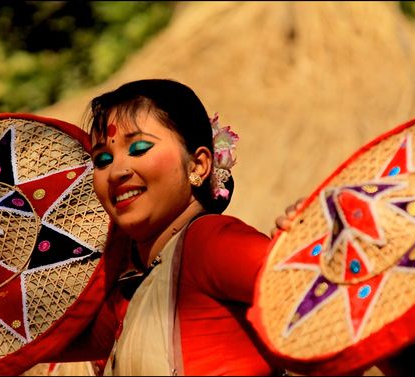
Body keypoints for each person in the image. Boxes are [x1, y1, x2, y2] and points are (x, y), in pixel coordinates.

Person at [47, 78, 286, 376]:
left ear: (198, 165)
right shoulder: (131, 289)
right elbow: (38, 343)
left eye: (139, 148)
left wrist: (309, 246)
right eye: (103, 159)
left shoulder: (208, 244)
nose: (117, 172)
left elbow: (306, 289)